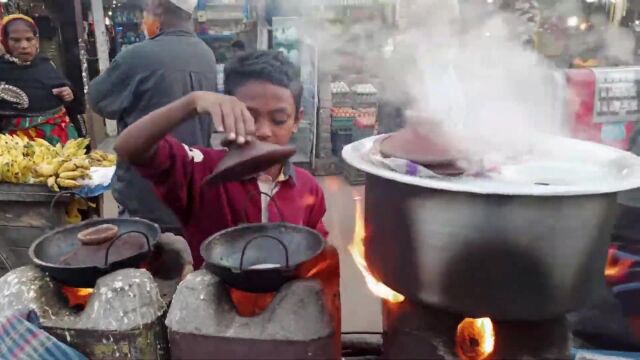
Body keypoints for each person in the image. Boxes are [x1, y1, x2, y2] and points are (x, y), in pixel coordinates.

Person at [116, 50, 339, 323]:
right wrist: (192, 102)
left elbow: (317, 249)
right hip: (216, 319)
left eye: (279, 120)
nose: (263, 131)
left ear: (296, 120)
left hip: (285, 319)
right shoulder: (200, 170)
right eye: (248, 116)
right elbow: (128, 148)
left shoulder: (307, 187)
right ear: (224, 115)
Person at [88, 0, 217, 235]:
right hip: (193, 183)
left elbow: (98, 100)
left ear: (158, 8)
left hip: (146, 192)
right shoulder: (206, 54)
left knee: (145, 261)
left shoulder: (138, 56)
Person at [0, 15, 78, 145]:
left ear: (36, 40)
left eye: (29, 39)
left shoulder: (46, 65)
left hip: (58, 141)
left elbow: (70, 98)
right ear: (5, 41)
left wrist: (69, 94)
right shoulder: (2, 70)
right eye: (16, 40)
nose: (24, 45)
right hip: (16, 147)